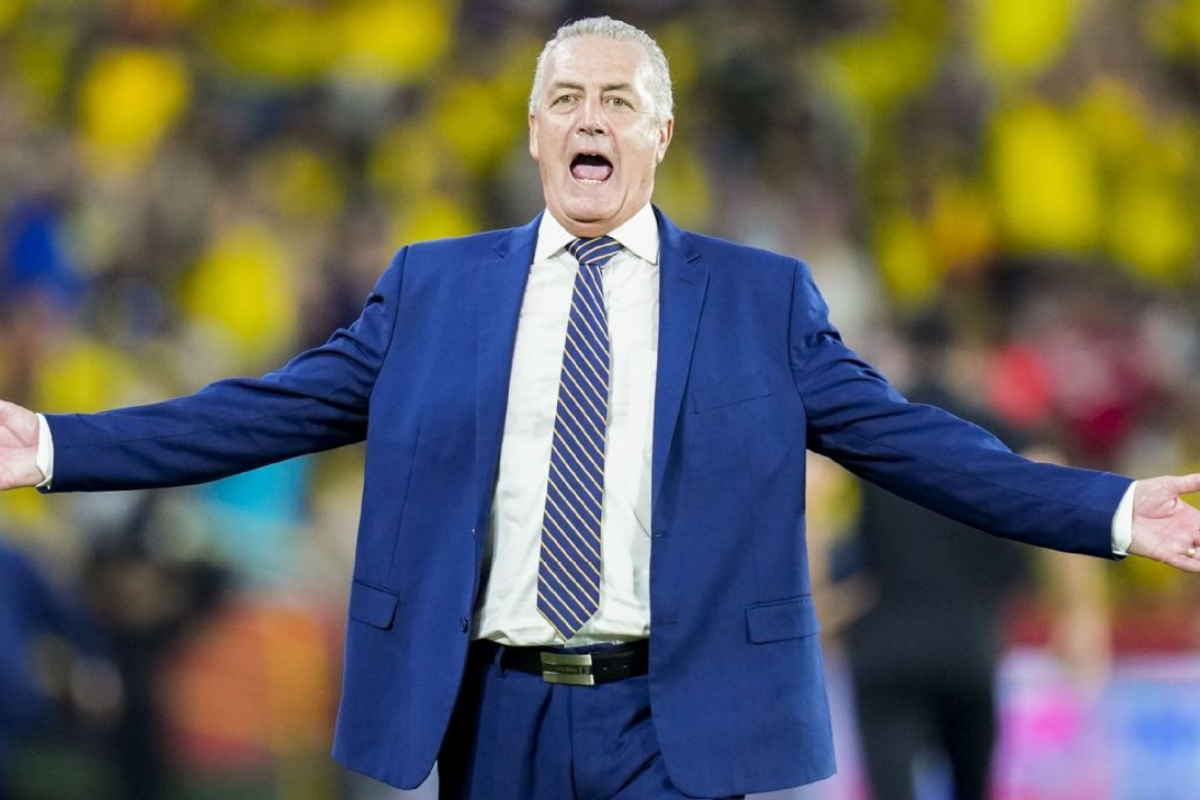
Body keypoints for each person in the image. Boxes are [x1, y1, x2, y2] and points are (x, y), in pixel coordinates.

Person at [0, 16, 1197, 800]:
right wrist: (53, 443)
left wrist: (1111, 509)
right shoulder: (433, 286)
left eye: (619, 100)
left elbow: (918, 444)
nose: (590, 117)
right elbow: (266, 411)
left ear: (659, 134)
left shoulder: (759, 297)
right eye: (567, 96)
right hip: (491, 710)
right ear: (534, 132)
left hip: (674, 715)